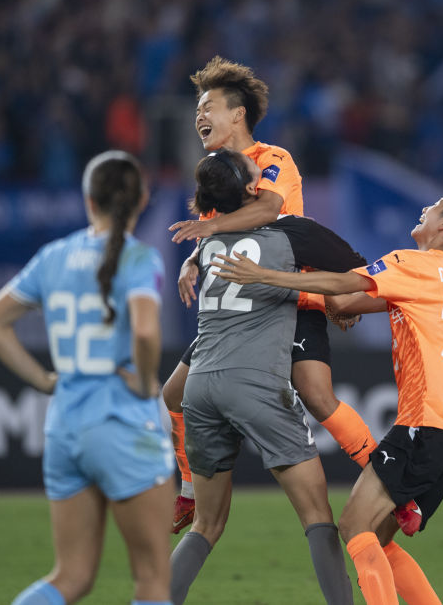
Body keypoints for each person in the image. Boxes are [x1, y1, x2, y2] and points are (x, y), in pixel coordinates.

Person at [211, 182, 443, 605]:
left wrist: (264, 275)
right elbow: (343, 304)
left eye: (434, 206)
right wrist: (305, 291)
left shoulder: (410, 262)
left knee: (354, 526)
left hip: (425, 422)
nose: (425, 209)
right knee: (378, 537)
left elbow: (344, 283)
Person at [163, 56, 376, 532]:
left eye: (208, 107)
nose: (199, 116)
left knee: (317, 395)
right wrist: (193, 258)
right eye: (197, 109)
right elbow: (222, 235)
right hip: (237, 315)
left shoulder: (273, 159)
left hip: (289, 301)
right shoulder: (216, 173)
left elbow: (266, 211)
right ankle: (190, 490)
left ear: (237, 114)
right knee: (173, 393)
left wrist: (208, 229)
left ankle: (385, 473)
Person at [0, 151, 173, 605]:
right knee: (151, 579)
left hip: (64, 426)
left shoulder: (54, 257)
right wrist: (146, 382)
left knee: (71, 577)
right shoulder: (139, 258)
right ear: (142, 199)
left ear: (89, 201)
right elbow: (145, 330)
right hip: (122, 424)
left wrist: (43, 379)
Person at [168, 149, 363, 605]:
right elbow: (360, 273)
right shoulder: (293, 231)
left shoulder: (209, 242)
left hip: (201, 386)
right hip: (256, 385)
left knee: (206, 526)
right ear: (250, 187)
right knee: (317, 516)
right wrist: (336, 304)